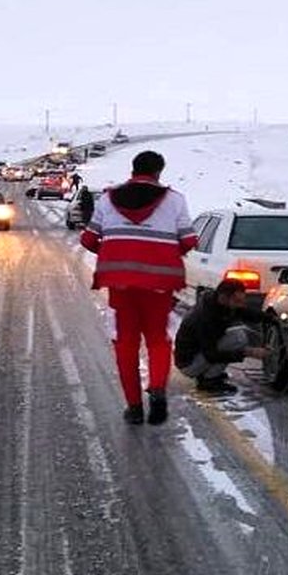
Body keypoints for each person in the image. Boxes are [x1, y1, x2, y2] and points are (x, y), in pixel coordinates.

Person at [80, 150, 197, 425]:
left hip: (120, 284)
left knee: (125, 344)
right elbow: (189, 240)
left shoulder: (108, 198)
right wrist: (165, 253)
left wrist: (114, 255)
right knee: (158, 339)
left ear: (133, 170)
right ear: (159, 172)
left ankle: (133, 407)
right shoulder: (175, 200)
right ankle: (157, 388)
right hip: (159, 285)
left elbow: (88, 239)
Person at [174, 280, 270, 394]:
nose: (240, 304)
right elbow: (211, 355)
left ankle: (208, 374)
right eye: (237, 301)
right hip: (189, 364)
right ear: (223, 297)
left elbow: (245, 313)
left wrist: (271, 319)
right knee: (237, 339)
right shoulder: (205, 317)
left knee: (237, 335)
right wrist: (248, 352)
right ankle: (209, 380)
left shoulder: (219, 304)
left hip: (198, 354)